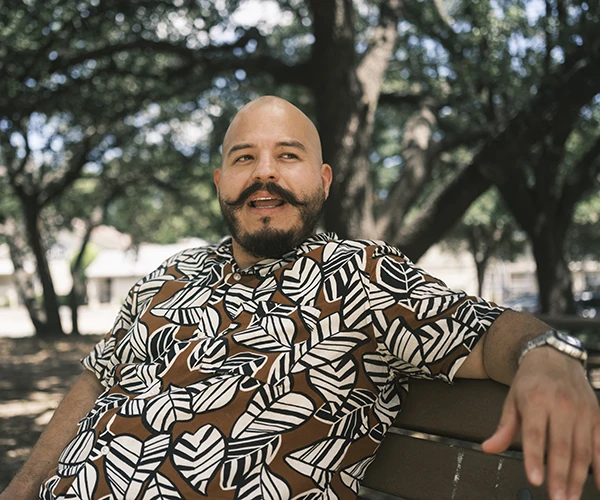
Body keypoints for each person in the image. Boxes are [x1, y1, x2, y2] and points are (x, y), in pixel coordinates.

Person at [2, 96, 598, 500]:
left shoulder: (365, 278)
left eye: (289, 156)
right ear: (220, 184)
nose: (265, 175)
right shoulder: (168, 274)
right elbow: (95, 381)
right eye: (244, 159)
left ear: (323, 180)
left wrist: (547, 352)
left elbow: (492, 333)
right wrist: (22, 487)